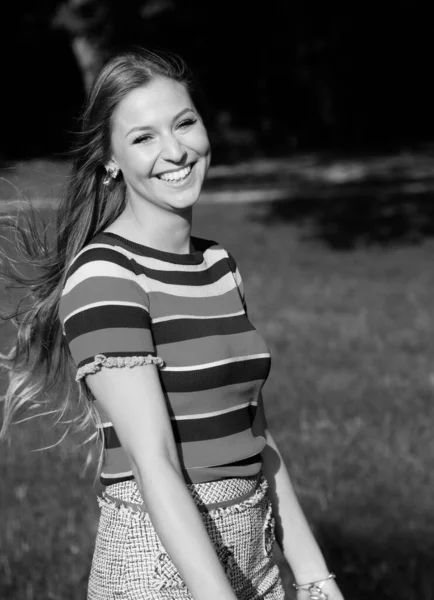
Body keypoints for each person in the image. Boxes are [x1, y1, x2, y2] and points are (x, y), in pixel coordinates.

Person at [0, 49, 345, 600]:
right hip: (160, 567)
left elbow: (256, 432)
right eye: (143, 137)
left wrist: (312, 574)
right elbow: (153, 462)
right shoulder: (105, 276)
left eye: (184, 123)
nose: (176, 151)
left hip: (253, 551)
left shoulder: (218, 266)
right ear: (110, 160)